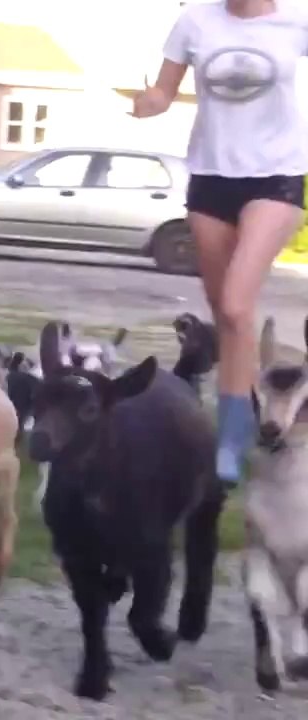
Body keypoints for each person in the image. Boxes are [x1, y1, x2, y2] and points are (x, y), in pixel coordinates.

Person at [132, 0, 308, 485]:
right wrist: (151, 102)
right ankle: (237, 426)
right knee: (228, 317)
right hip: (210, 179)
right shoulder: (195, 20)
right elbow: (165, 90)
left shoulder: (298, 20)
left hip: (276, 178)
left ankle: (233, 440)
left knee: (235, 304)